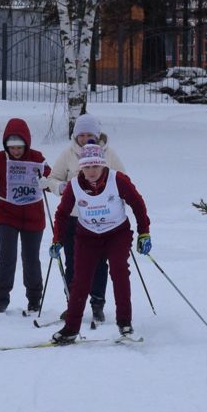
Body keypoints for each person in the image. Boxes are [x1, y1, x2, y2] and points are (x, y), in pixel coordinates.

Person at [49, 143, 150, 343]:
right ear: (81, 168)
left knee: (119, 271)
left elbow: (138, 204)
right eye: (87, 167)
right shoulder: (74, 186)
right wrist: (57, 240)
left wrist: (143, 233)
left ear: (103, 165)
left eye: (96, 166)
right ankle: (71, 328)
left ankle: (125, 324)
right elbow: (61, 214)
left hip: (117, 234)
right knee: (81, 280)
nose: (92, 171)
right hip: (87, 236)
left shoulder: (117, 180)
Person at [43, 113, 125, 323]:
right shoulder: (69, 154)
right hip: (74, 218)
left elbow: (122, 179)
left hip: (102, 219)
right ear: (75, 136)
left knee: (99, 263)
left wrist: (114, 196)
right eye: (81, 134)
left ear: (97, 136)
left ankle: (98, 303)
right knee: (74, 262)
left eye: (90, 134)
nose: (85, 138)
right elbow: (52, 178)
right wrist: (60, 188)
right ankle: (72, 303)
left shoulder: (109, 154)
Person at [0, 118, 52, 314]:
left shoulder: (37, 158)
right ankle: (1, 300)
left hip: (33, 216)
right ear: (5, 146)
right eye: (12, 147)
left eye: (19, 147)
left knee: (31, 258)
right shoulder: (0, 158)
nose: (16, 152)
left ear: (26, 144)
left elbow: (52, 179)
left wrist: (47, 183)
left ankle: (34, 299)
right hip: (7, 214)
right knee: (7, 256)